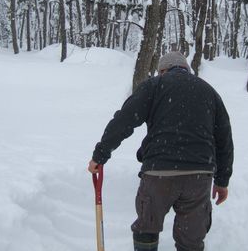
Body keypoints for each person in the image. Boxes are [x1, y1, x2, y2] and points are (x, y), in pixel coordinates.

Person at [88, 51, 234, 251]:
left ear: (162, 70)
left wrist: (100, 155)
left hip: (159, 172)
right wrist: (222, 181)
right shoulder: (208, 91)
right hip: (199, 176)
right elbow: (224, 139)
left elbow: (124, 121)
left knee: (147, 227)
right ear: (186, 69)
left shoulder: (154, 86)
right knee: (191, 238)